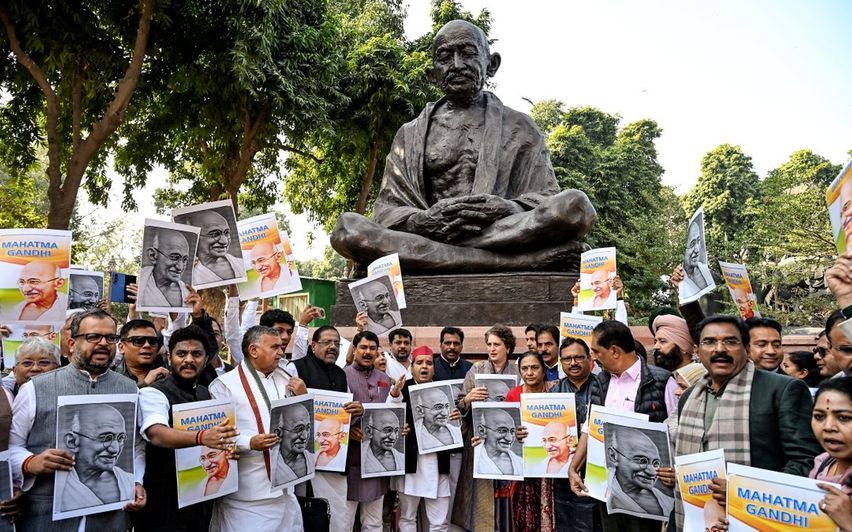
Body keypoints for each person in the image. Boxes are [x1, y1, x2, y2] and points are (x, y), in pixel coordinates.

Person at [330, 19, 595, 274]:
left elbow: (545, 198)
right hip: (431, 232)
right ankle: (521, 262)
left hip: (499, 231)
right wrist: (422, 221)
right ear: (432, 74)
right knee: (347, 229)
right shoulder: (409, 134)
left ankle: (434, 257)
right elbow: (387, 212)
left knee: (576, 207)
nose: (456, 65)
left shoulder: (520, 127)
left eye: (467, 53)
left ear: (492, 64)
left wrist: (507, 208)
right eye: (445, 57)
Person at [674, 315, 822, 529]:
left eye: (731, 341)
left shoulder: (782, 389)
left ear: (746, 348)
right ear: (697, 351)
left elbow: (806, 461)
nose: (720, 349)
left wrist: (743, 494)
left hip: (759, 521)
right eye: (709, 342)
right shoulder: (689, 398)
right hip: (698, 520)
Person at [10, 309, 146, 531]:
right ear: (72, 343)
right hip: (45, 518)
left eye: (111, 338)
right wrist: (30, 462)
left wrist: (136, 481)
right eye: (93, 337)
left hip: (111, 519)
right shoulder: (35, 388)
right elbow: (11, 446)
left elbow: (136, 447)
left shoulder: (130, 389)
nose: (103, 343)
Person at [569, 320, 677, 532]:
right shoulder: (600, 382)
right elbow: (589, 428)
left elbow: (679, 431)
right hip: (607, 487)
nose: (594, 357)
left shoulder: (662, 381)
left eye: (597, 351)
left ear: (615, 351)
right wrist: (574, 468)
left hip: (648, 489)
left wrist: (676, 471)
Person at [136, 324, 238, 531]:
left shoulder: (205, 392)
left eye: (196, 354)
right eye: (181, 354)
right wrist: (202, 437)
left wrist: (227, 450)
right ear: (169, 357)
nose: (189, 360)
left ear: (206, 359)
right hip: (163, 501)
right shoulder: (153, 393)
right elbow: (156, 434)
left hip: (199, 498)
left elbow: (218, 437)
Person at [207, 325, 307, 531]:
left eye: (281, 347)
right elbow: (215, 436)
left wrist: (304, 396)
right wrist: (249, 442)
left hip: (287, 489)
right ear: (254, 350)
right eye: (275, 347)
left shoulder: (288, 378)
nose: (281, 352)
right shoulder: (224, 385)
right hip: (248, 496)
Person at [295, 325, 364, 532]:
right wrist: (302, 395)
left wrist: (356, 412)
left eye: (336, 343)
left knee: (337, 517)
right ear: (313, 345)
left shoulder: (341, 375)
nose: (333, 346)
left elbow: (344, 416)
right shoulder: (295, 369)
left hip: (334, 461)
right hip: (305, 461)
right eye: (327, 342)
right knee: (307, 517)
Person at [453, 324, 521, 532]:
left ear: (507, 347)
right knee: (481, 491)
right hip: (480, 439)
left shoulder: (518, 371)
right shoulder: (477, 369)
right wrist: (469, 398)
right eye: (489, 344)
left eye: (497, 344)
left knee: (510, 485)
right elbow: (459, 404)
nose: (492, 349)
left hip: (510, 439)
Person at [388, 347, 461, 532]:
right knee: (407, 518)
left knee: (439, 523)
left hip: (439, 465)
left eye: (429, 363)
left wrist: (455, 417)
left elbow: (455, 428)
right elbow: (390, 415)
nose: (424, 367)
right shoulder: (402, 388)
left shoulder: (444, 391)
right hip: (412, 466)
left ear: (434, 369)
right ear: (412, 367)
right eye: (419, 362)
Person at [343, 331, 392, 532]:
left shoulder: (385, 379)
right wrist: (350, 429)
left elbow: (392, 412)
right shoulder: (342, 375)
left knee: (373, 523)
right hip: (350, 460)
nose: (368, 352)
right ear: (354, 349)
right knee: (343, 522)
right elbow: (331, 417)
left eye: (372, 348)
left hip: (377, 464)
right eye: (363, 347)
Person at [550, 337, 600, 532]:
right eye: (567, 359)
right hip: (562, 475)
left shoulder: (603, 388)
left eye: (579, 357)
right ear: (561, 362)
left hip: (594, 471)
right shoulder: (554, 393)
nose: (573, 363)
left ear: (590, 359)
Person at [505, 351, 555, 532]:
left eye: (534, 367)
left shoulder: (556, 392)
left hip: (552, 467)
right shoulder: (512, 395)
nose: (530, 373)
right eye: (524, 369)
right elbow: (506, 432)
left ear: (543, 371)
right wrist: (514, 435)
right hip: (523, 466)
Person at [55, 404, 135, 512]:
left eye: (120, 438)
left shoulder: (130, 483)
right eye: (105, 438)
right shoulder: (57, 486)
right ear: (72, 442)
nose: (115, 449)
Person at [810, 377, 852, 530]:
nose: (828, 427)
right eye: (819, 417)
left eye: (844, 418)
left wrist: (848, 523)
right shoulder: (822, 463)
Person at [605, 426, 673, 518]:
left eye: (656, 463)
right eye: (642, 461)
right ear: (613, 456)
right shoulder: (601, 487)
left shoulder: (668, 502)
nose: (653, 472)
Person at [183, 210, 245, 285]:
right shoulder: (188, 275)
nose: (224, 241)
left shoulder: (242, 264)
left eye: (227, 233)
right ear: (194, 237)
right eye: (215, 234)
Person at [139, 229, 191, 309]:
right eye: (174, 257)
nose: (180, 267)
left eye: (184, 260)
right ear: (153, 255)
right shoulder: (140, 285)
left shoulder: (186, 292)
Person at [113, 319, 170, 387]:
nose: (147, 345)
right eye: (138, 341)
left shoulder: (169, 374)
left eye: (152, 341)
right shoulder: (107, 377)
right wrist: (145, 383)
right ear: (121, 347)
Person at [271, 401, 314, 487]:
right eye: (299, 429)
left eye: (308, 428)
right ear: (279, 433)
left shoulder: (312, 460)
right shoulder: (270, 462)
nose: (305, 436)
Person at [474, 409, 523, 477]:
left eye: (512, 432)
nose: (509, 439)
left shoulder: (520, 462)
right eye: (502, 430)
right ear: (482, 431)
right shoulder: (474, 459)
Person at [363, 408, 404, 473]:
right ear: (369, 431)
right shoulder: (361, 456)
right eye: (387, 430)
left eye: (396, 431)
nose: (393, 437)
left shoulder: (402, 459)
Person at [681, 219, 713, 295]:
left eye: (698, 241)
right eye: (692, 244)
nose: (697, 250)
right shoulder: (679, 277)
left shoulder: (706, 272)